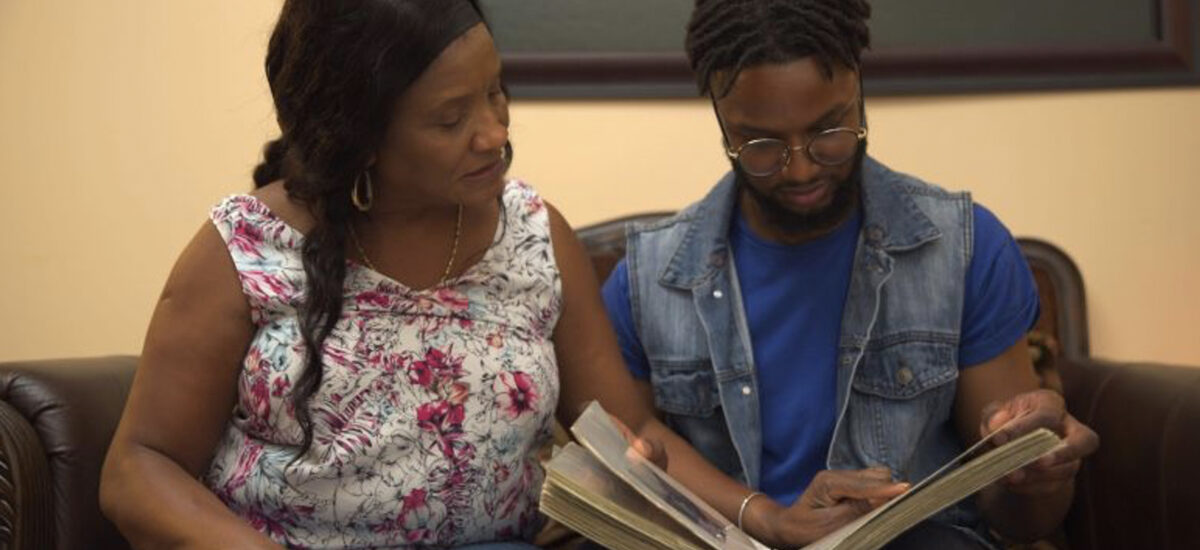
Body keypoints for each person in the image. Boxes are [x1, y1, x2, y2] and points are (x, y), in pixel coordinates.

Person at [99, 1, 687, 548]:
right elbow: (140, 467)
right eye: (451, 118)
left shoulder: (533, 233)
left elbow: (627, 430)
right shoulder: (248, 244)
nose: (495, 133)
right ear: (359, 133)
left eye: (495, 92)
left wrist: (660, 481)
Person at [600, 0, 1100, 548]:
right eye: (761, 146)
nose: (802, 167)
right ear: (722, 123)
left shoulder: (962, 250)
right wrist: (760, 515)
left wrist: (1040, 474)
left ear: (859, 92)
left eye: (829, 131)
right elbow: (633, 453)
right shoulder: (649, 280)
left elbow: (1021, 522)